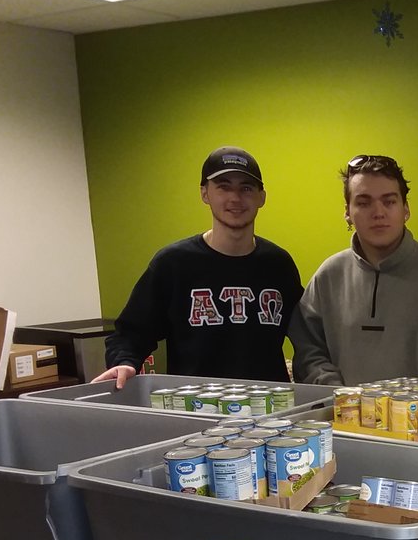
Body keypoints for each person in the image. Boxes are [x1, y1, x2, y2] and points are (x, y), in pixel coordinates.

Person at [96, 146, 302, 387]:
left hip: (269, 409)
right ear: (205, 193)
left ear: (261, 197)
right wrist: (124, 362)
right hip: (193, 407)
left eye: (246, 188)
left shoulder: (278, 265)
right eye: (223, 187)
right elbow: (130, 333)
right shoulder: (174, 263)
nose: (235, 198)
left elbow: (310, 334)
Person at [289, 154, 418, 385]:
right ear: (347, 212)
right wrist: (339, 396)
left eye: (389, 201)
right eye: (364, 202)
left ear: (406, 209)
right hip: (343, 417)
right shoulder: (328, 276)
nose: (378, 213)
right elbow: (308, 352)